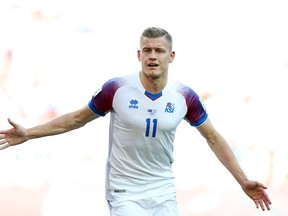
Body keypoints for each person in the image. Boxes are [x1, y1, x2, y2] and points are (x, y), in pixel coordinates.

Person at [0, 27, 271, 215]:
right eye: (147, 50)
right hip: (124, 190)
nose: (153, 56)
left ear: (171, 56)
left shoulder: (184, 96)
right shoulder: (116, 89)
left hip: (163, 191)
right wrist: (29, 133)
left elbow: (213, 137)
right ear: (139, 55)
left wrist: (243, 180)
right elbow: (76, 119)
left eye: (159, 51)